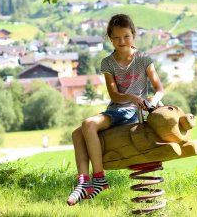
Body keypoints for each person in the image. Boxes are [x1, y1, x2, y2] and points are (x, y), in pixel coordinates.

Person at [66, 13, 164, 206]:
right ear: (110, 39)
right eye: (116, 37)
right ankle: (83, 182)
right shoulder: (108, 62)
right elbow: (114, 95)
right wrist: (131, 97)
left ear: (133, 35)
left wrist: (153, 99)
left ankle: (100, 179)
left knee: (88, 124)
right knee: (77, 134)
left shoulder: (144, 59)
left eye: (126, 36)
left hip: (133, 112)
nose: (122, 41)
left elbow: (159, 89)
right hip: (118, 109)